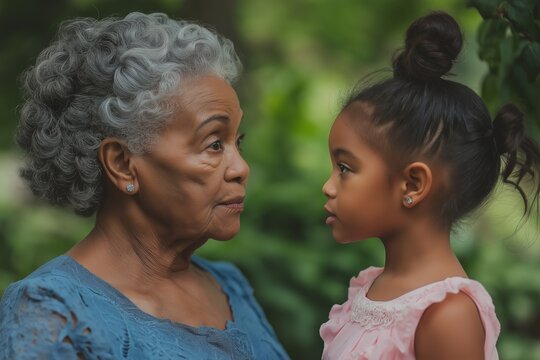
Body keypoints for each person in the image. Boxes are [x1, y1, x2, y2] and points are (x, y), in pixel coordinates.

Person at [0, 12, 289, 359]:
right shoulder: (50, 312)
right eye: (214, 144)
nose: (241, 168)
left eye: (236, 142)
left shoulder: (229, 286)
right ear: (123, 165)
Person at [319, 11, 540, 360]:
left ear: (413, 184)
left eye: (344, 168)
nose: (328, 187)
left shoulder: (447, 315)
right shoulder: (371, 287)